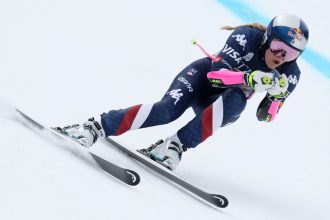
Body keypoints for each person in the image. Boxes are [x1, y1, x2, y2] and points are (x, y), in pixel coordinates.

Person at [58, 14, 309, 171]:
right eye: (278, 46)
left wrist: (277, 99)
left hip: (221, 102)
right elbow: (215, 74)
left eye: (290, 53)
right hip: (202, 80)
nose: (280, 56)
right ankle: (92, 127)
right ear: (267, 38)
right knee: (168, 110)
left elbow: (264, 117)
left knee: (237, 100)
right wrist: (248, 77)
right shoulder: (247, 37)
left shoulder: (291, 74)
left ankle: (172, 147)